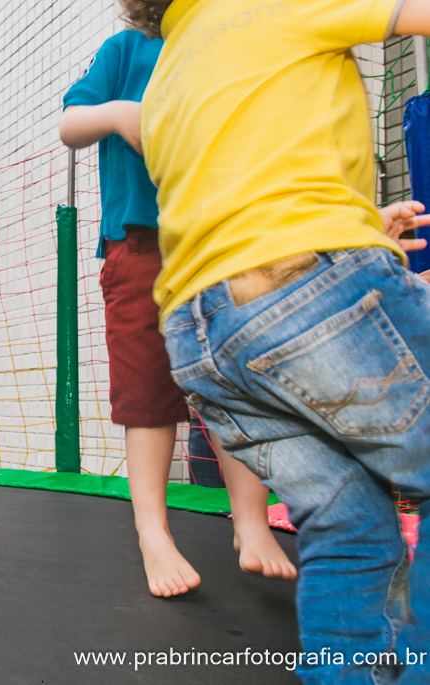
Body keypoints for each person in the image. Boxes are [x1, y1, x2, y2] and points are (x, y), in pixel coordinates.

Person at [128, 0, 430, 679]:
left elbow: (244, 193)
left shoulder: (170, 72)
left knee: (348, 526)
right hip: (301, 285)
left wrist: (361, 225)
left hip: (203, 337)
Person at [59, 28, 295, 600]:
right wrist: (118, 114)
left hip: (220, 242)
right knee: (148, 396)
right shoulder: (127, 49)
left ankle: (251, 521)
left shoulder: (220, 45)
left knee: (237, 385)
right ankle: (152, 533)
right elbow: (71, 126)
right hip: (141, 244)